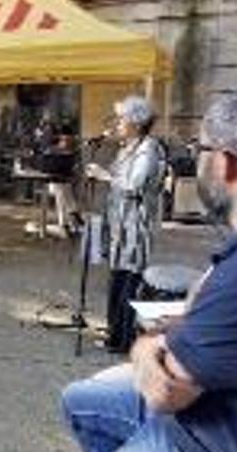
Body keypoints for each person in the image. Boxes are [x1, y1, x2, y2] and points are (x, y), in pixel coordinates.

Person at [61, 90, 237, 452]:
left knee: (128, 295)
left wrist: (146, 345)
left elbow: (166, 392)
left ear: (228, 164)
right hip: (222, 409)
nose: (194, 159)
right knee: (81, 398)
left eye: (201, 148)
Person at [86, 96, 165, 352]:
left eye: (122, 118)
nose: (117, 123)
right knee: (116, 282)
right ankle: (114, 334)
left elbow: (134, 185)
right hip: (119, 227)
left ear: (136, 122)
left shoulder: (148, 148)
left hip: (135, 229)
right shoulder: (127, 147)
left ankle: (123, 339)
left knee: (128, 284)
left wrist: (105, 175)